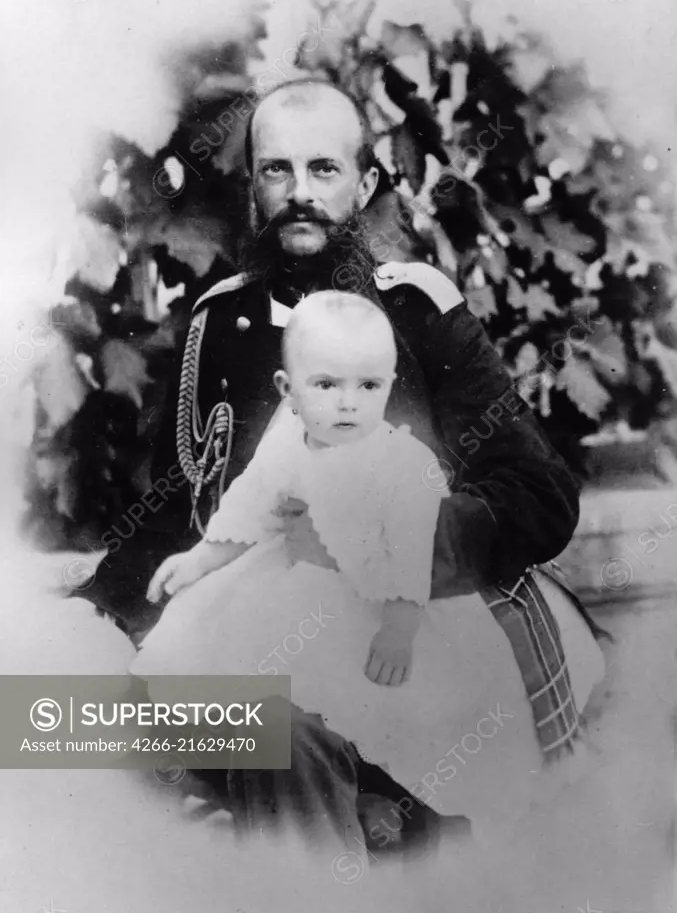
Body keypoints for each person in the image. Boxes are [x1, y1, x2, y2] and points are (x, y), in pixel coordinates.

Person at [77, 77, 605, 851]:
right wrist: (89, 611)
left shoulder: (414, 308)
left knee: (274, 730)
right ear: (252, 187)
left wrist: (370, 544)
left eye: (323, 170)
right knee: (44, 722)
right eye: (276, 170)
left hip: (407, 633)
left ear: (365, 182)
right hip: (246, 623)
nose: (298, 194)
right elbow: (176, 508)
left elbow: (538, 495)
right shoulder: (220, 319)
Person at [131, 289, 603, 837]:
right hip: (285, 595)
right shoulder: (288, 437)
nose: (349, 404)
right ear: (290, 391)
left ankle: (387, 806)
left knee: (365, 704)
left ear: (388, 385)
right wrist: (198, 560)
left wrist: (399, 631)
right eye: (326, 386)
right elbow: (250, 503)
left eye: (369, 386)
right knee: (235, 681)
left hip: (371, 603)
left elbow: (411, 553)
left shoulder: (400, 461)